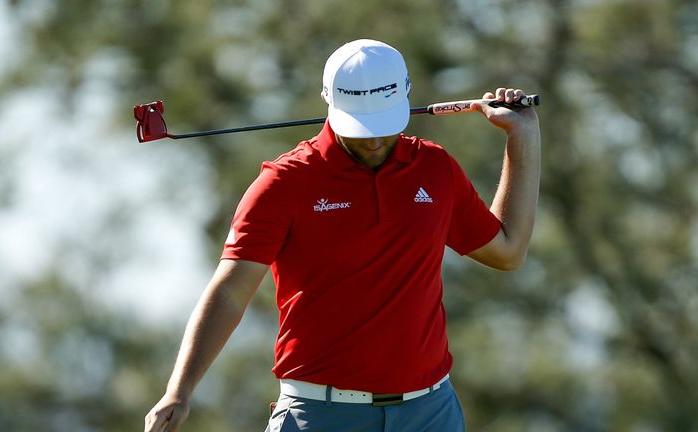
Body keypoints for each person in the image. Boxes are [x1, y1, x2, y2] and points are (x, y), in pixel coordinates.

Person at [144, 39, 540, 432]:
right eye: (360, 127)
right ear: (329, 102)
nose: (372, 140)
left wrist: (522, 137)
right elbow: (231, 290)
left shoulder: (434, 167)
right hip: (320, 414)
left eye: (382, 127)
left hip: (430, 413)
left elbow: (508, 252)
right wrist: (179, 390)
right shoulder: (285, 182)